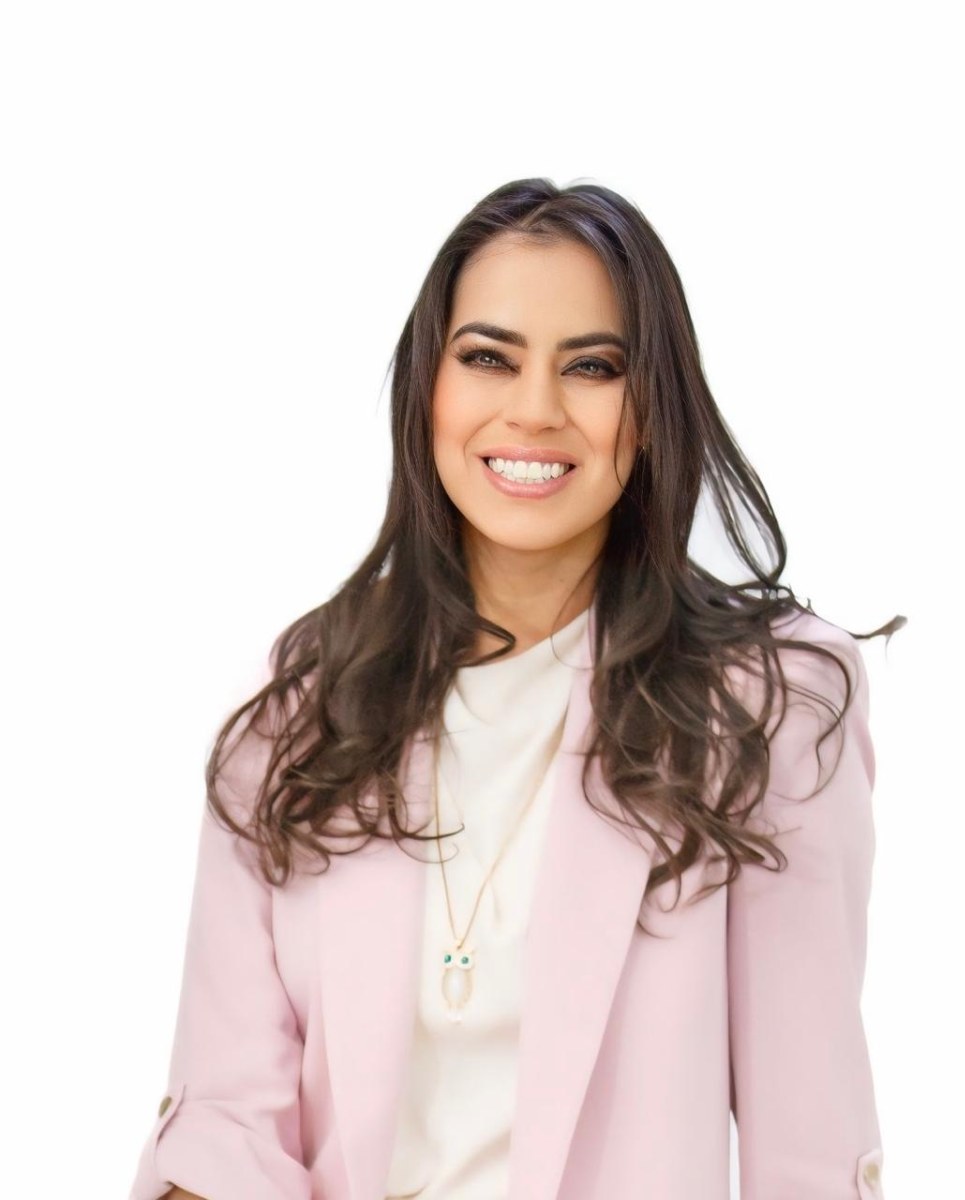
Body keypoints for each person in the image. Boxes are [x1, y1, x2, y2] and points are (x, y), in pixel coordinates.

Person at [129, 177, 903, 1200]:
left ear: (651, 410)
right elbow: (224, 1125)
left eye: (592, 367)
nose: (533, 409)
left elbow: (805, 1143)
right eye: (488, 357)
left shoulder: (765, 707)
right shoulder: (303, 703)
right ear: (427, 389)